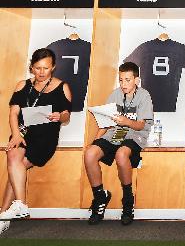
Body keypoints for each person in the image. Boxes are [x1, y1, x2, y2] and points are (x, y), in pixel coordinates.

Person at [0, 48, 72, 234]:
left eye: (46, 68)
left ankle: (6, 213)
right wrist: (16, 134)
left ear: (53, 67)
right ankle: (17, 206)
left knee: (16, 169)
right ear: (31, 67)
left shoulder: (62, 87)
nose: (41, 72)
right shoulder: (22, 85)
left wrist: (60, 116)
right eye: (37, 68)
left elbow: (66, 115)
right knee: (14, 158)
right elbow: (13, 113)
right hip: (22, 134)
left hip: (45, 138)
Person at [84, 62, 153, 226]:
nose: (123, 84)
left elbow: (141, 125)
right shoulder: (115, 94)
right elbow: (105, 123)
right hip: (114, 134)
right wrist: (94, 142)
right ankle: (100, 197)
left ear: (136, 80)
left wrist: (126, 121)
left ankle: (128, 200)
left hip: (135, 135)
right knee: (90, 154)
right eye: (121, 80)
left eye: (127, 80)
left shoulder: (144, 95)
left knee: (121, 154)